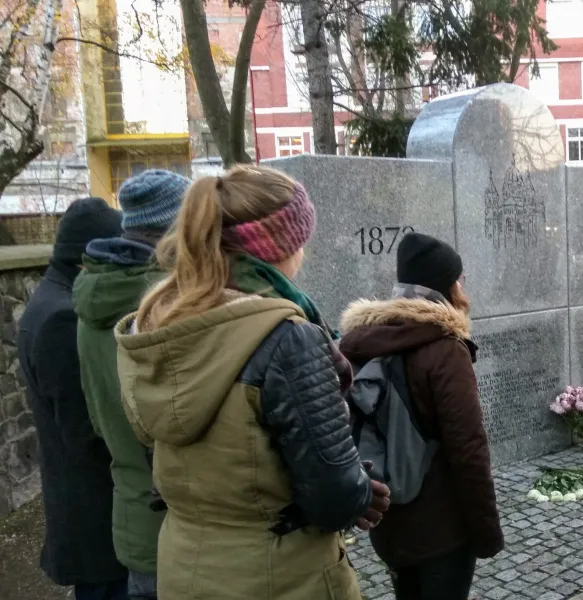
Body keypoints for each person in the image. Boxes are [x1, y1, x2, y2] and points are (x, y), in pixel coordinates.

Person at [114, 166, 389, 600]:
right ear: (282, 245)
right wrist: (358, 490)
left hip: (186, 565)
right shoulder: (285, 337)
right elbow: (332, 498)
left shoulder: (156, 322)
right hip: (279, 576)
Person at [338, 233, 503, 600]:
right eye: (460, 277)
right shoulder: (445, 348)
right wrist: (487, 532)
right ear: (449, 284)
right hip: (442, 531)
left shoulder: (363, 341)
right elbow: (468, 450)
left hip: (390, 523)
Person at [73, 169, 191, 600]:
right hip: (183, 528)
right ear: (176, 230)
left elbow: (100, 421)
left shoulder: (89, 302)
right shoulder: (167, 306)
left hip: (132, 524)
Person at [17, 197, 128, 599]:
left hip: (92, 510)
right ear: (92, 254)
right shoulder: (61, 318)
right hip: (96, 516)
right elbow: (85, 428)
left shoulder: (52, 300)